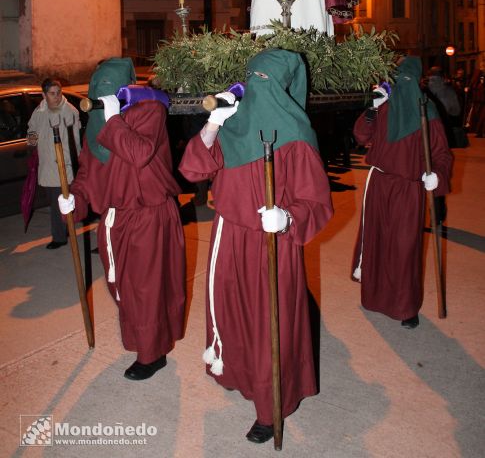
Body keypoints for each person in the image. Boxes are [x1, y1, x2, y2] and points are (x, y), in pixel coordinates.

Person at [179, 48, 334, 443]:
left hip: (272, 243)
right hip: (228, 236)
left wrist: (288, 218)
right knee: (233, 312)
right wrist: (212, 126)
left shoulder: (298, 137)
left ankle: (270, 408)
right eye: (253, 78)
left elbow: (316, 202)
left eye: (265, 81)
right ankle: (239, 373)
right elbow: (193, 169)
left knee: (271, 322)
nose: (256, 88)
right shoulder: (234, 123)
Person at [58, 58, 186, 380]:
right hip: (115, 219)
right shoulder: (98, 123)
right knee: (123, 289)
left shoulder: (150, 112)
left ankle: (151, 353)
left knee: (145, 290)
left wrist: (115, 120)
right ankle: (150, 341)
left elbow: (140, 153)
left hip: (149, 215)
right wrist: (75, 198)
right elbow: (88, 173)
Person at [351, 57, 453, 328]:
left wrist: (437, 176)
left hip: (408, 188)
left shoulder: (427, 111)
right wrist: (371, 110)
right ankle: (373, 296)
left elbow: (441, 154)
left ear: (417, 82)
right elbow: (360, 136)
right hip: (378, 184)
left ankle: (406, 306)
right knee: (376, 242)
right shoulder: (383, 107)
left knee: (404, 247)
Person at [27, 78, 81, 249]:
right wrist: (32, 139)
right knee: (56, 202)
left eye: (59, 92)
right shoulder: (39, 111)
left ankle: (59, 237)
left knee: (59, 203)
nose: (57, 97)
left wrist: (76, 164)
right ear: (44, 95)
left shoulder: (69, 111)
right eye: (52, 94)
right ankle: (64, 230)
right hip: (47, 167)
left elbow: (76, 142)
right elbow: (31, 131)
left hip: (64, 166)